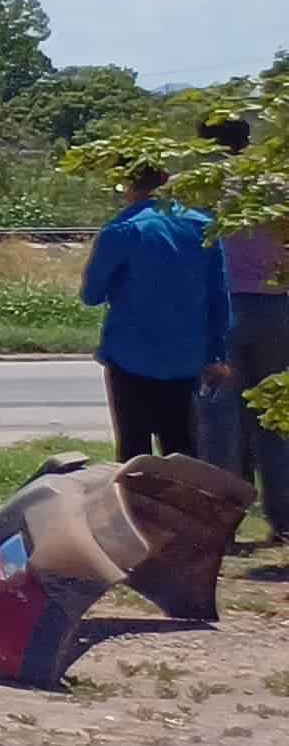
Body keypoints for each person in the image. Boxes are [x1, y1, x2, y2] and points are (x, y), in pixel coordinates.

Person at [79, 160, 233, 461]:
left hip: (130, 353)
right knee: (182, 444)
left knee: (133, 447)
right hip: (186, 355)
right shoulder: (203, 225)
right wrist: (217, 355)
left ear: (129, 186)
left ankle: (135, 507)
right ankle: (184, 505)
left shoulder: (122, 229)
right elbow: (220, 296)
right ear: (166, 182)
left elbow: (91, 294)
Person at [196, 118, 287, 540]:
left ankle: (222, 521)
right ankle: (283, 518)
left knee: (220, 418)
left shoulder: (200, 186)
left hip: (223, 308)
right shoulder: (277, 183)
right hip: (278, 304)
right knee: (274, 415)